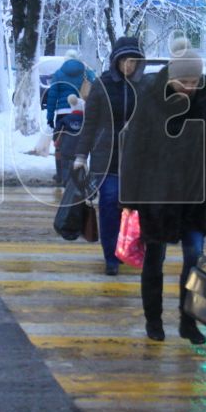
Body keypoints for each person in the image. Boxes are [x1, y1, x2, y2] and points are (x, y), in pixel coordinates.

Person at [118, 38, 206, 344]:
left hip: (194, 194)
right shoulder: (150, 99)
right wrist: (130, 199)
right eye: (183, 82)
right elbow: (134, 150)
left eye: (194, 81)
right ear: (171, 77)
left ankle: (188, 322)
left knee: (194, 258)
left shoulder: (204, 101)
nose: (189, 87)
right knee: (155, 258)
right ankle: (154, 320)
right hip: (158, 195)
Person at [73, 37, 145, 275]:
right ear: (116, 61)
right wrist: (81, 156)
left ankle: (126, 248)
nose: (129, 66)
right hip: (107, 158)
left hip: (135, 160)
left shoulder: (142, 87)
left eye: (133, 61)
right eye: (125, 60)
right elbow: (90, 123)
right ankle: (111, 256)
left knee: (131, 210)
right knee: (109, 203)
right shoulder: (102, 86)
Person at [46, 50, 96, 184]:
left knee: (59, 145)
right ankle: (79, 174)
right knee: (80, 143)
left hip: (62, 113)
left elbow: (52, 96)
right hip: (82, 112)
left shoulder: (58, 74)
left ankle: (60, 175)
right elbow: (95, 88)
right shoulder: (87, 72)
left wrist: (50, 116)